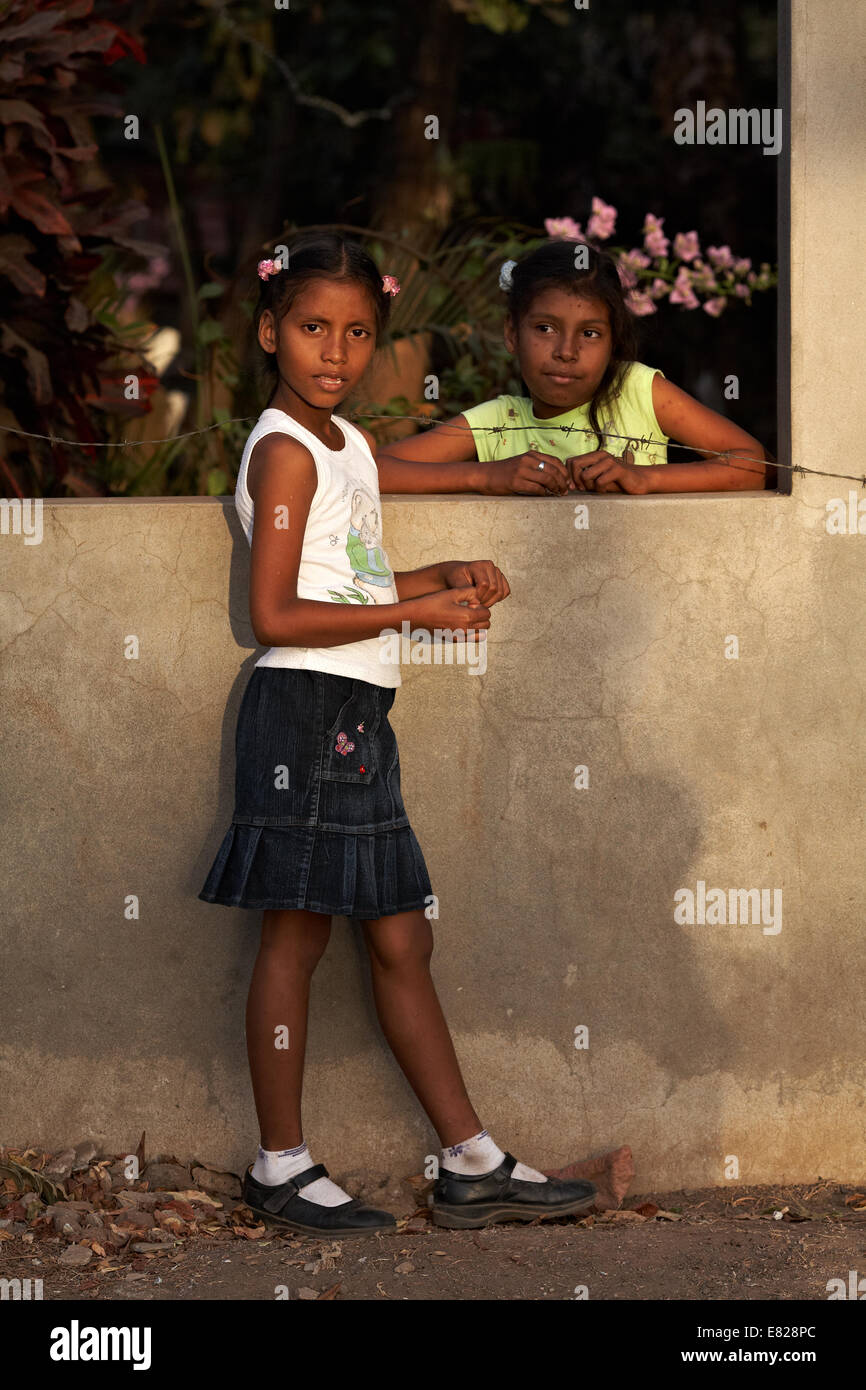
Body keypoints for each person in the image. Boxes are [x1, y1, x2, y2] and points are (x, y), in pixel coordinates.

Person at [198, 231, 597, 1235]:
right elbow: (277, 615)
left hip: (356, 714)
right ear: (268, 332)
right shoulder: (285, 450)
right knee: (293, 937)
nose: (334, 350)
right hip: (301, 714)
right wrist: (414, 615)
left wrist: (445, 574)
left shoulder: (345, 445)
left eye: (356, 332)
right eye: (311, 328)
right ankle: (278, 1163)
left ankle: (469, 1161)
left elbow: (355, 582)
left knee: (400, 937)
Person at [375, 239, 770, 496]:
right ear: (512, 333)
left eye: (591, 334)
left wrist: (642, 478)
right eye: (545, 328)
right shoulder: (501, 420)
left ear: (614, 340)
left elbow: (753, 465)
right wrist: (486, 476)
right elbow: (376, 470)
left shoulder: (639, 390)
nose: (566, 351)